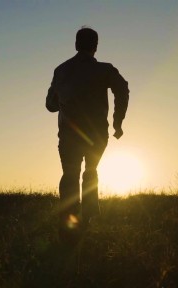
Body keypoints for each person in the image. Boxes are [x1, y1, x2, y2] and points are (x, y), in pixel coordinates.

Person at [45, 27, 129, 234]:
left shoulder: (61, 70)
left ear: (76, 45)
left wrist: (65, 97)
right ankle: (90, 220)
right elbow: (123, 90)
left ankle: (69, 221)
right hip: (97, 134)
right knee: (91, 172)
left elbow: (50, 105)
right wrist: (117, 121)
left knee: (70, 174)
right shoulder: (105, 70)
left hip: (68, 134)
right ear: (96, 46)